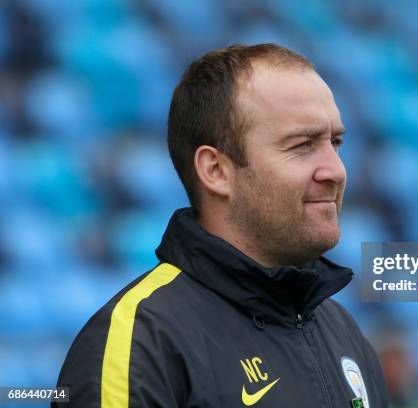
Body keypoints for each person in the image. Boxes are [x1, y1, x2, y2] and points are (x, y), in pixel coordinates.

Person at [55, 43, 389, 407]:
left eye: (335, 142)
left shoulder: (344, 333)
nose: (336, 171)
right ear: (216, 171)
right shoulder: (140, 344)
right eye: (302, 145)